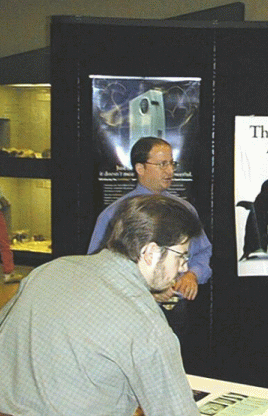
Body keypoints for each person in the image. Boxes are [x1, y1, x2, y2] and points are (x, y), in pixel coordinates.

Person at [0, 195, 268, 416]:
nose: (184, 267)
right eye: (181, 256)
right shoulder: (144, 321)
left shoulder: (54, 269)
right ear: (150, 252)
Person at [88, 137, 212, 339]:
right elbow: (98, 269)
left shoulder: (184, 210)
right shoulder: (113, 214)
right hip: (130, 313)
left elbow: (203, 251)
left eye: (171, 163)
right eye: (162, 164)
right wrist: (150, 292)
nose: (169, 171)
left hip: (177, 312)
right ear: (140, 168)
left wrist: (193, 274)